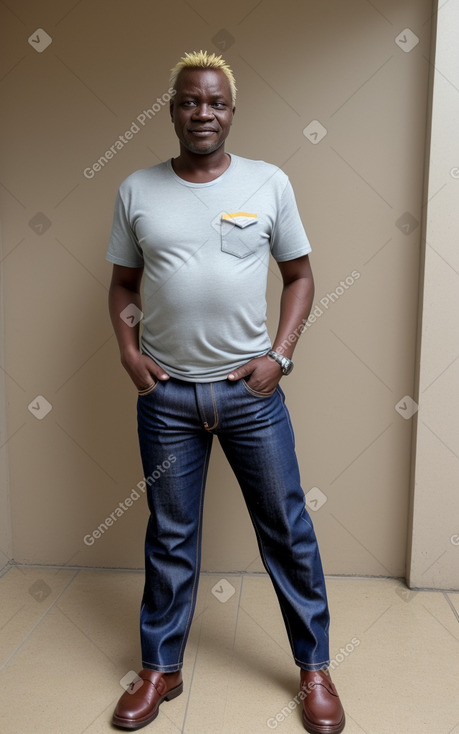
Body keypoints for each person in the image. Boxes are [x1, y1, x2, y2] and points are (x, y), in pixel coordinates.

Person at [106, 50, 345, 733]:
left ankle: (314, 668)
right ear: (172, 109)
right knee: (171, 537)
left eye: (214, 101)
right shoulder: (136, 189)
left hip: (251, 397)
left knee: (288, 532)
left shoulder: (268, 183)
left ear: (230, 111)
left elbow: (299, 275)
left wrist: (280, 356)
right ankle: (160, 668)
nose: (201, 111)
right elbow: (123, 285)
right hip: (167, 398)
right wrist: (128, 350)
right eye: (188, 100)